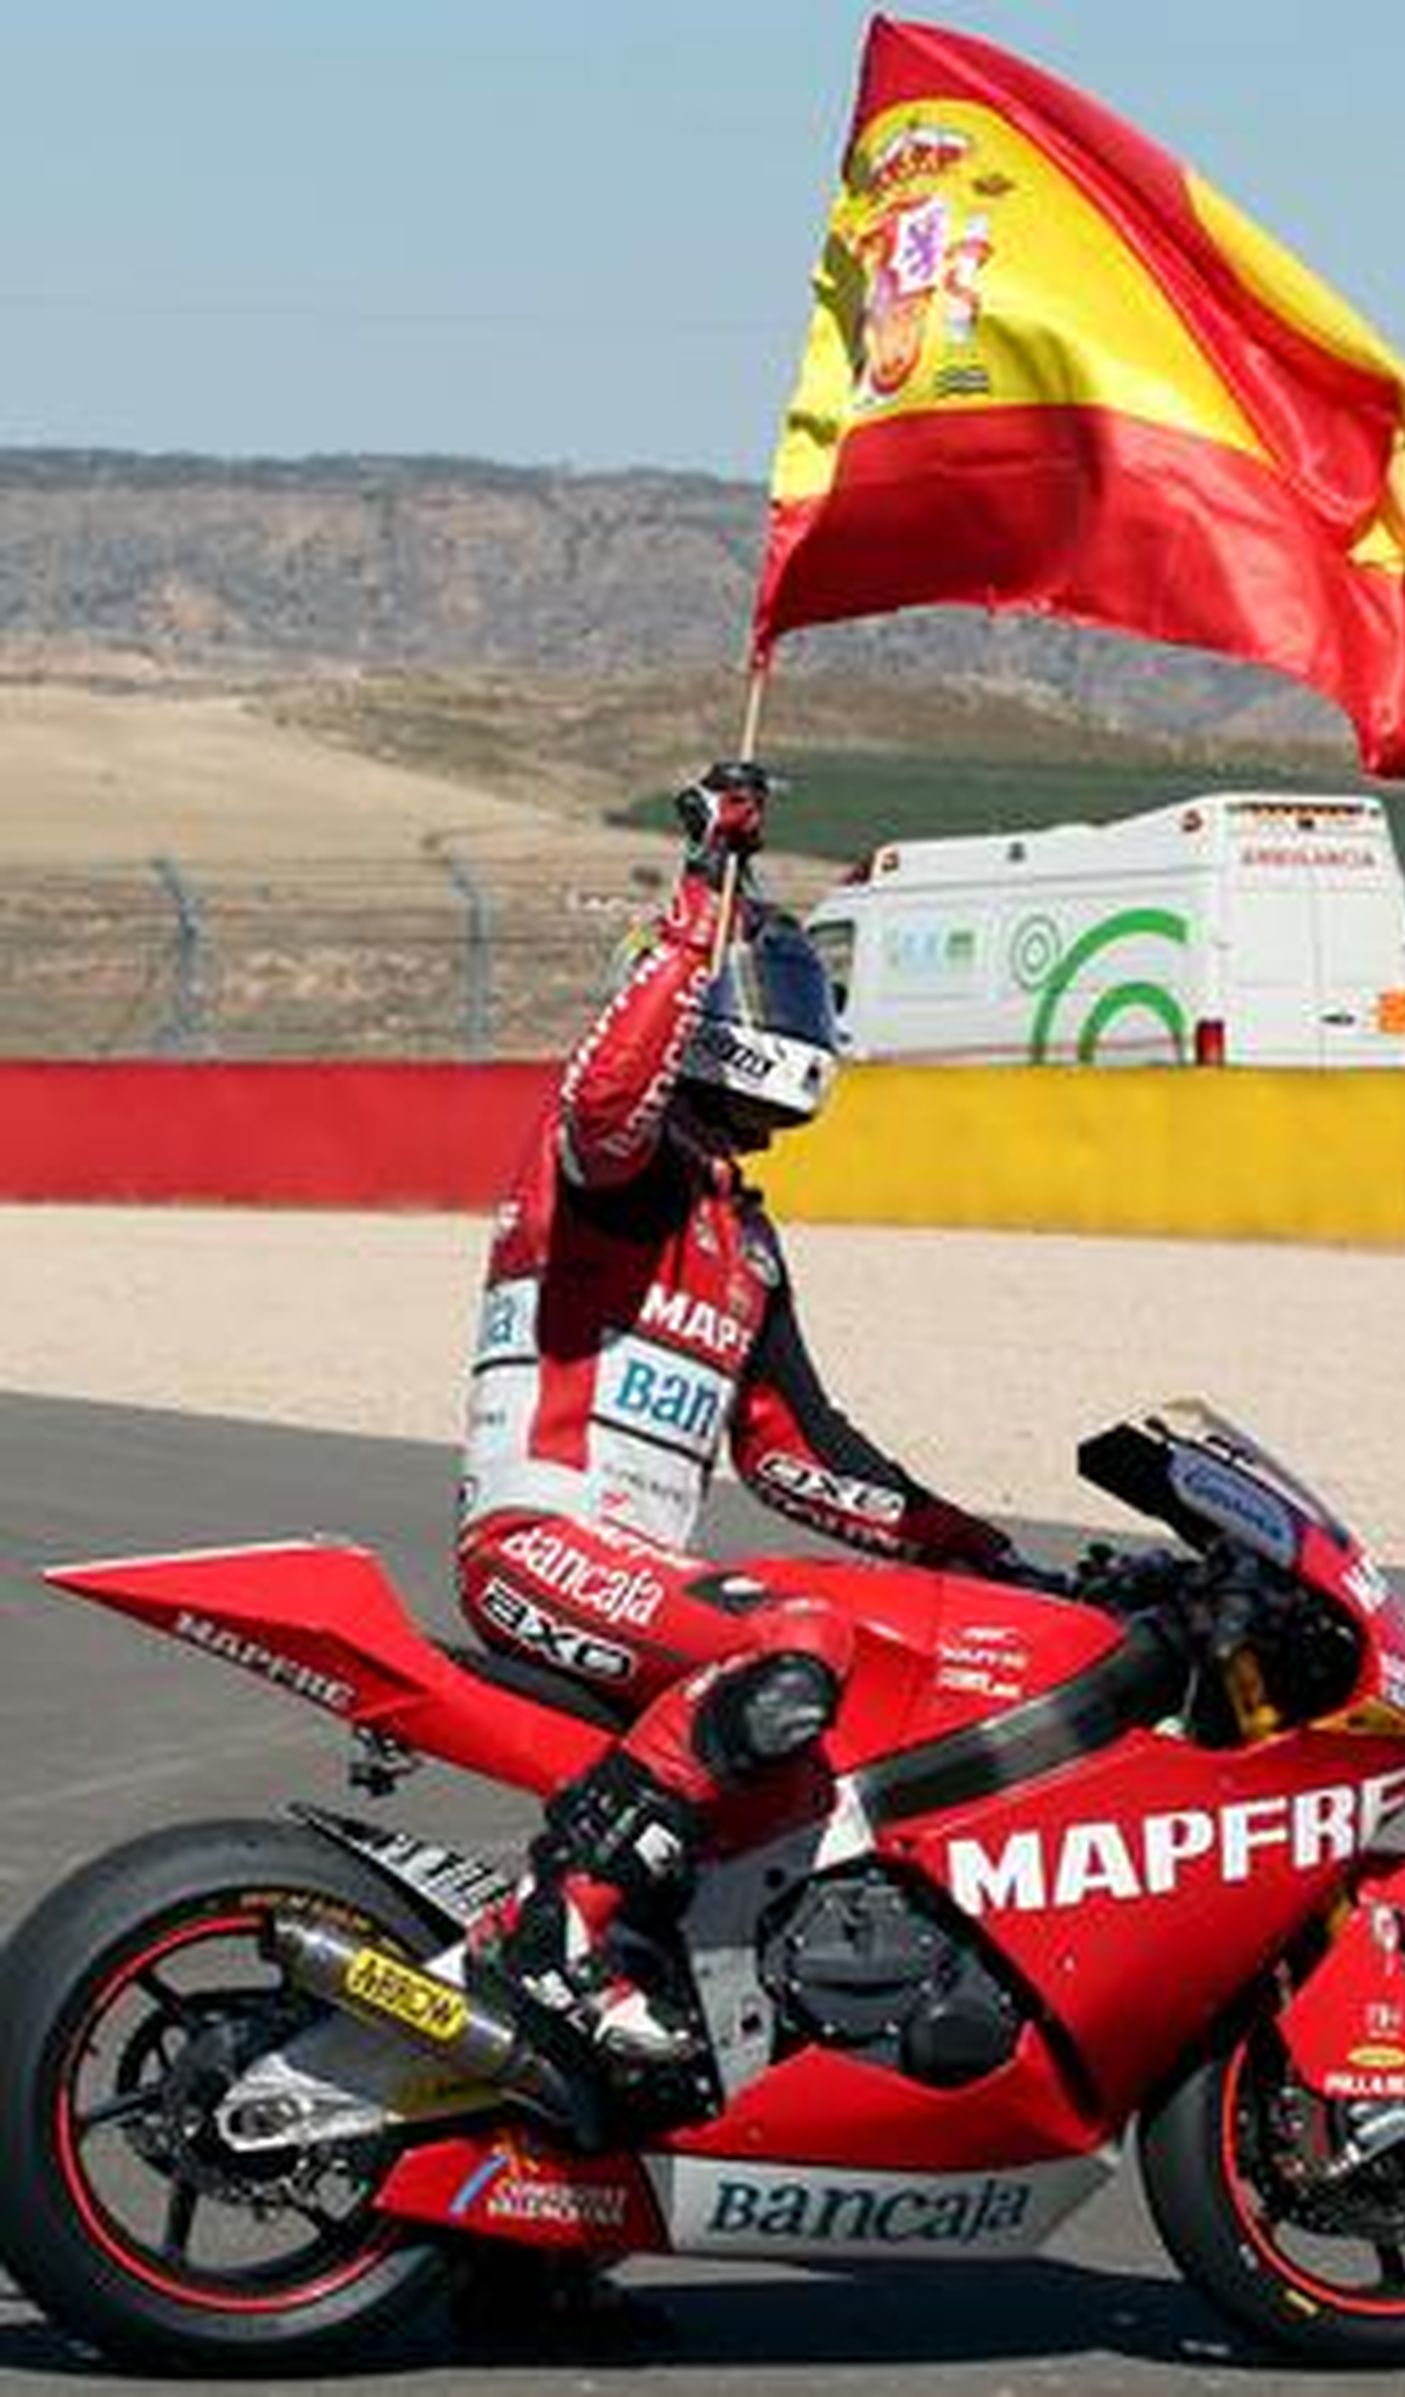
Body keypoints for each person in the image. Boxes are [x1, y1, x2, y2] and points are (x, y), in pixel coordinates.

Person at [457, 761, 1068, 2066]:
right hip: (536, 1539)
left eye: (802, 998)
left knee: (814, 1772)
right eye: (769, 993)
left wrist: (982, 1552)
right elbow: (608, 1095)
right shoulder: (615, 1172)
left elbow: (796, 1453)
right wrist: (704, 892)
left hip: (636, 1572)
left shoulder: (742, 1236)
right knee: (793, 1640)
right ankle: (550, 1932)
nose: (798, 1024)